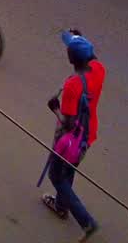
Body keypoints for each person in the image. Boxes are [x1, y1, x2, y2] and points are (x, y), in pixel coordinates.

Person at [40, 30, 104, 241]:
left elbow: (67, 122)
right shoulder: (99, 69)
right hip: (88, 136)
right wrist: (81, 39)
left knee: (56, 176)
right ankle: (60, 205)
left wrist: (54, 108)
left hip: (71, 140)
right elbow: (92, 55)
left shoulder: (72, 86)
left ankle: (86, 221)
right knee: (69, 170)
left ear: (70, 59)